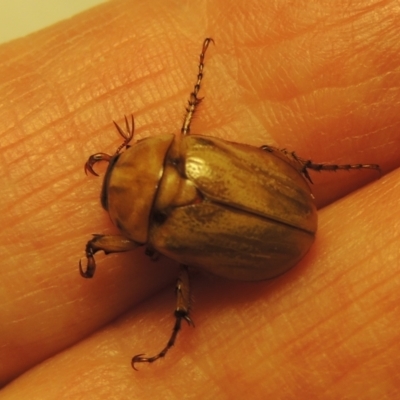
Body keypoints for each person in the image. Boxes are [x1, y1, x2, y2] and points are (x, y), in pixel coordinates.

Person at [1, 1, 399, 398]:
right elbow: (188, 128)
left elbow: (138, 244)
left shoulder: (159, 232)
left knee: (183, 271)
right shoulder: (187, 149)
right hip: (281, 222)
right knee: (262, 150)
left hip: (277, 232)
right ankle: (319, 167)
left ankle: (180, 321)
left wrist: (96, 248)